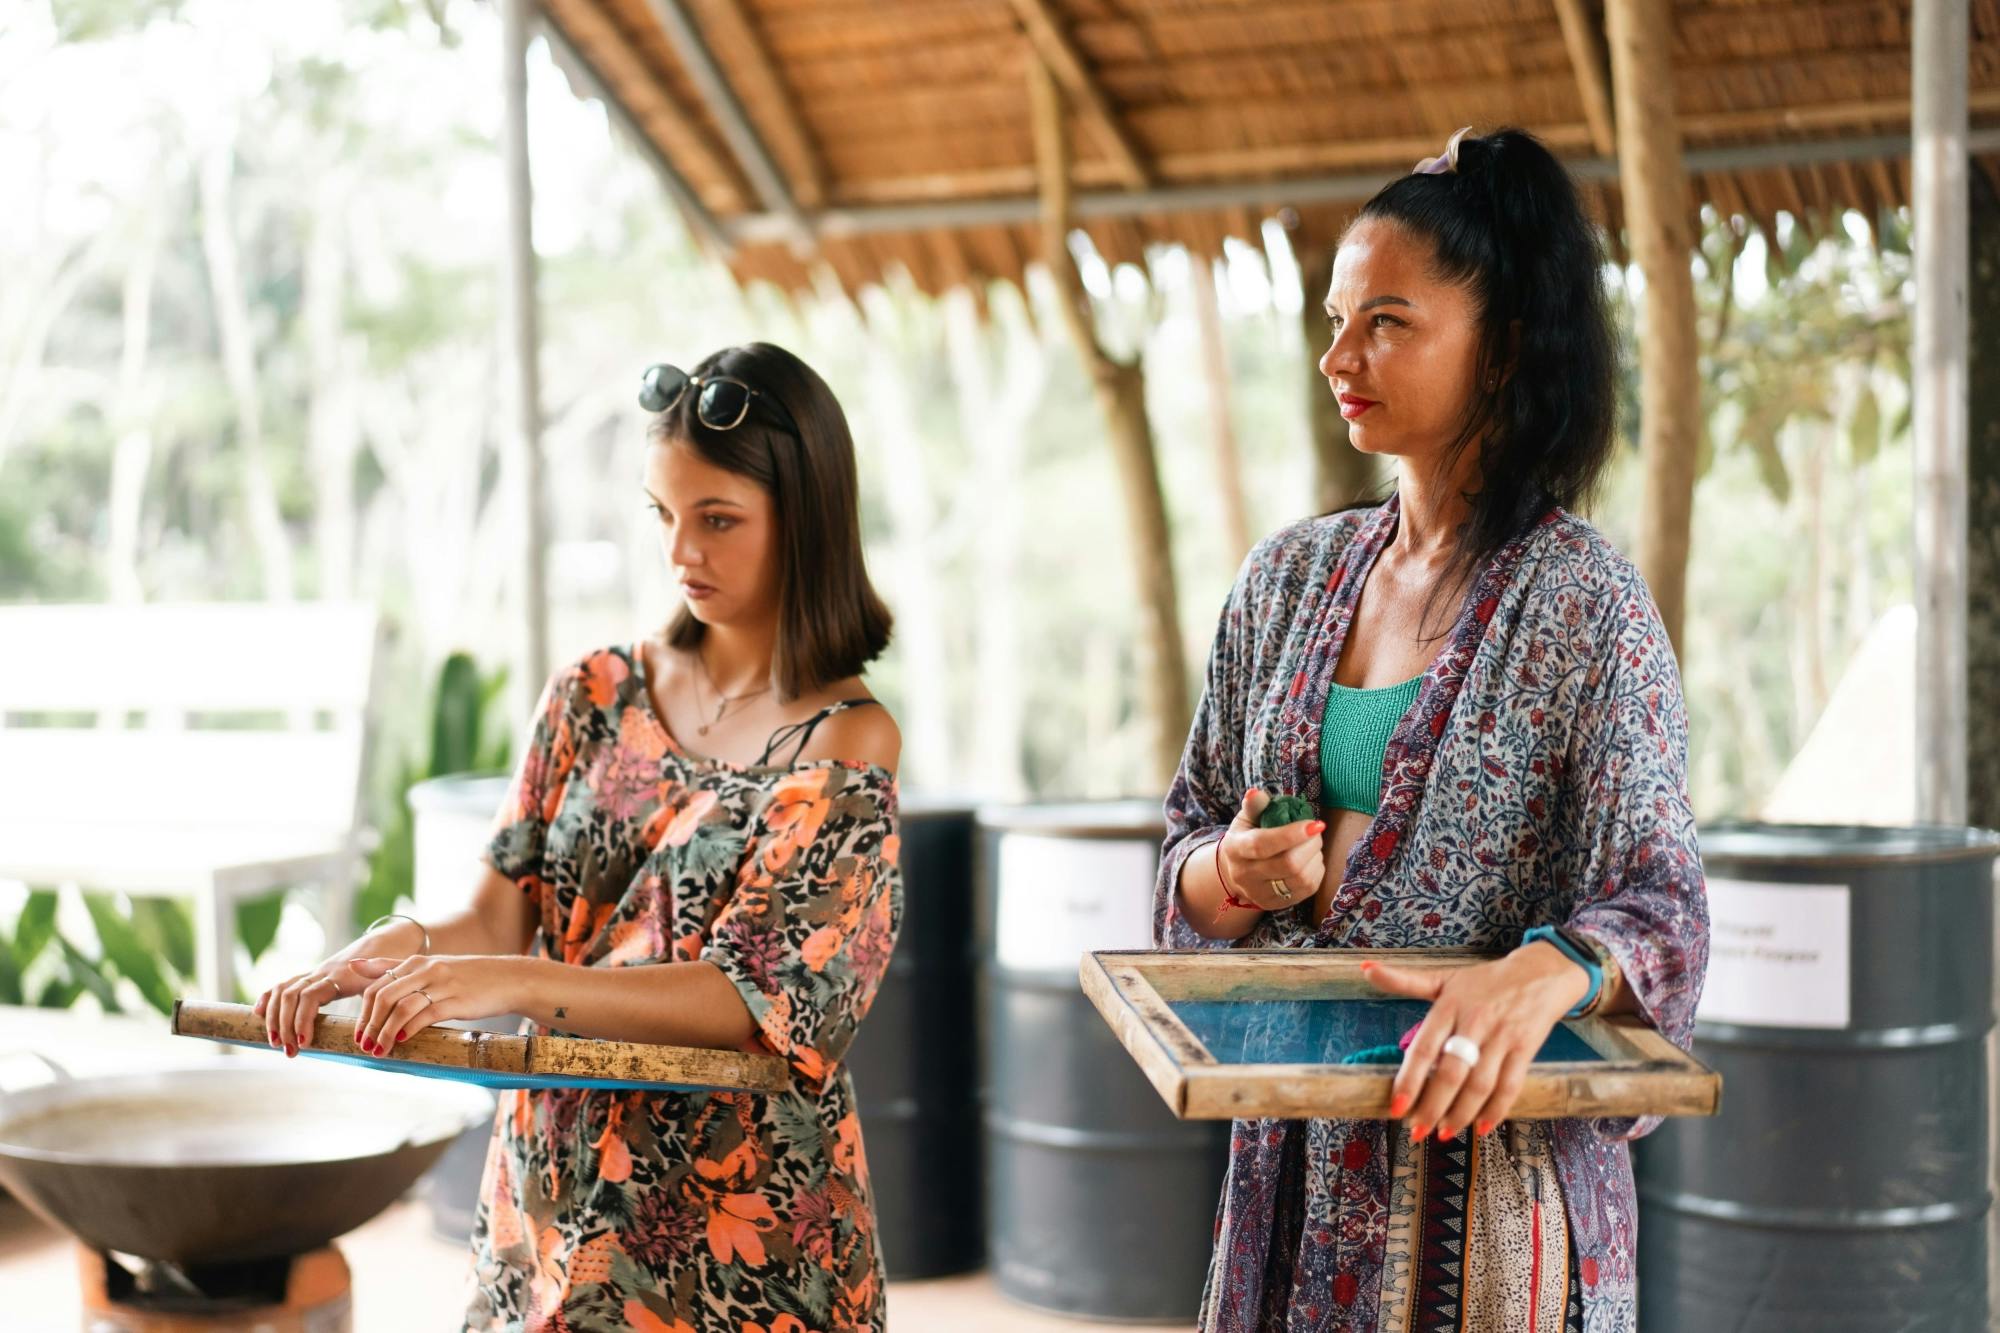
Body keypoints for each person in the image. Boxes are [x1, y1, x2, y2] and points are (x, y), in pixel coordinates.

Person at [1156, 128, 1709, 1332]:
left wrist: (1544, 969)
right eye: (1336, 317)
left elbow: (1662, 905)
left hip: (1486, 1214)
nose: (1336, 355)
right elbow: (1185, 845)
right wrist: (1226, 872)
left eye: (1387, 323)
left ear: (1504, 347)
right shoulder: (1283, 582)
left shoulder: (1585, 608)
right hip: (1284, 1182)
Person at [256, 342, 903, 1332]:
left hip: (741, 1237)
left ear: (804, 520)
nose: (681, 551)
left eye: (718, 519)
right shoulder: (593, 693)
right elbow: (492, 912)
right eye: (663, 514)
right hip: (554, 1196)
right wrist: (378, 956)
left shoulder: (846, 744)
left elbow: (745, 998)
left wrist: (515, 986)